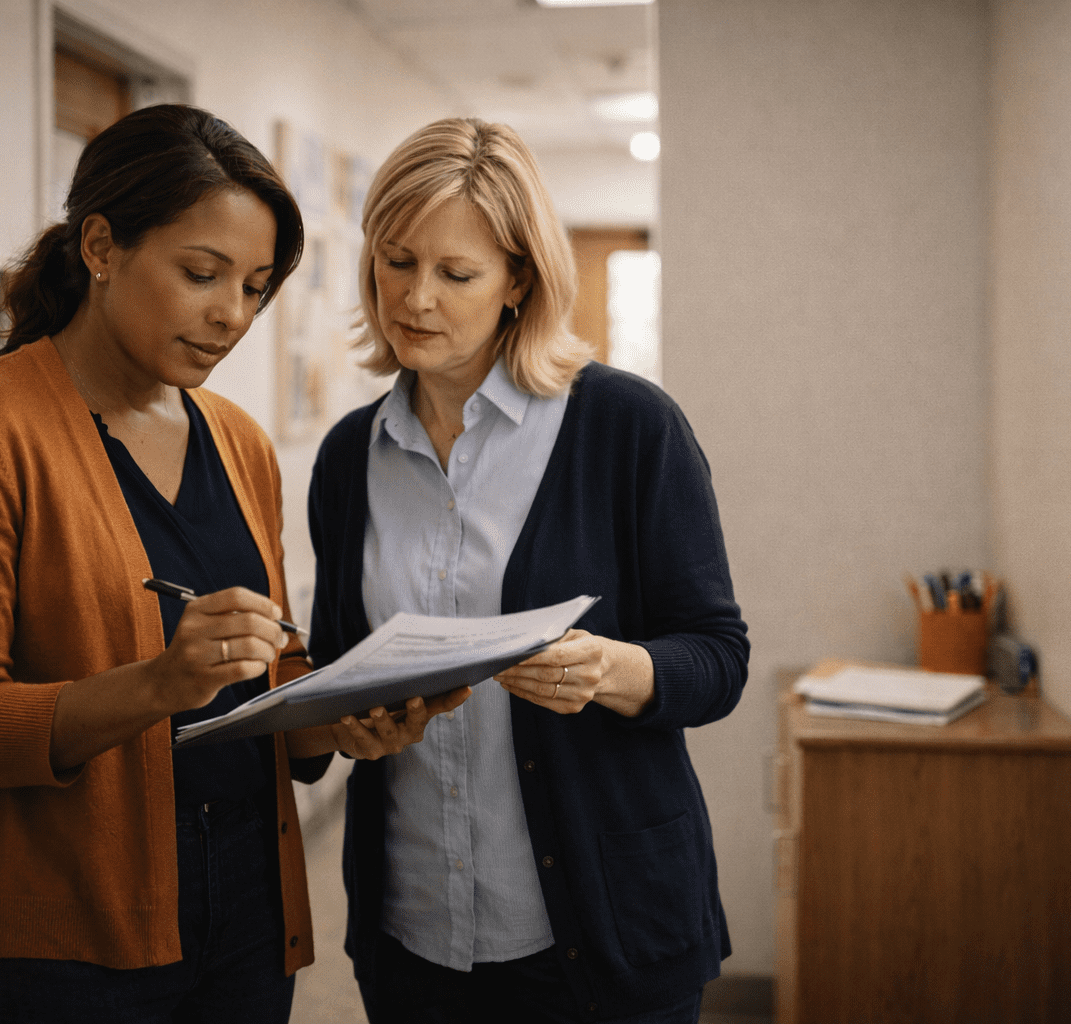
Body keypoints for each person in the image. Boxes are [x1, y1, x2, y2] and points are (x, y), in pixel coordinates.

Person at [0, 104, 467, 1024]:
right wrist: (156, 683)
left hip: (244, 922)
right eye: (202, 274)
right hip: (57, 951)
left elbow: (256, 689)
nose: (232, 314)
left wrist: (336, 719)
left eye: (256, 286)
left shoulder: (237, 442)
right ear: (102, 246)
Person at [306, 117, 750, 1023]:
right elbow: (331, 671)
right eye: (396, 261)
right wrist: (344, 722)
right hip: (414, 932)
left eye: (456, 273)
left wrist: (613, 669)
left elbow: (718, 656)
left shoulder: (628, 428)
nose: (416, 298)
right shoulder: (351, 457)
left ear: (518, 282)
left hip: (602, 929)